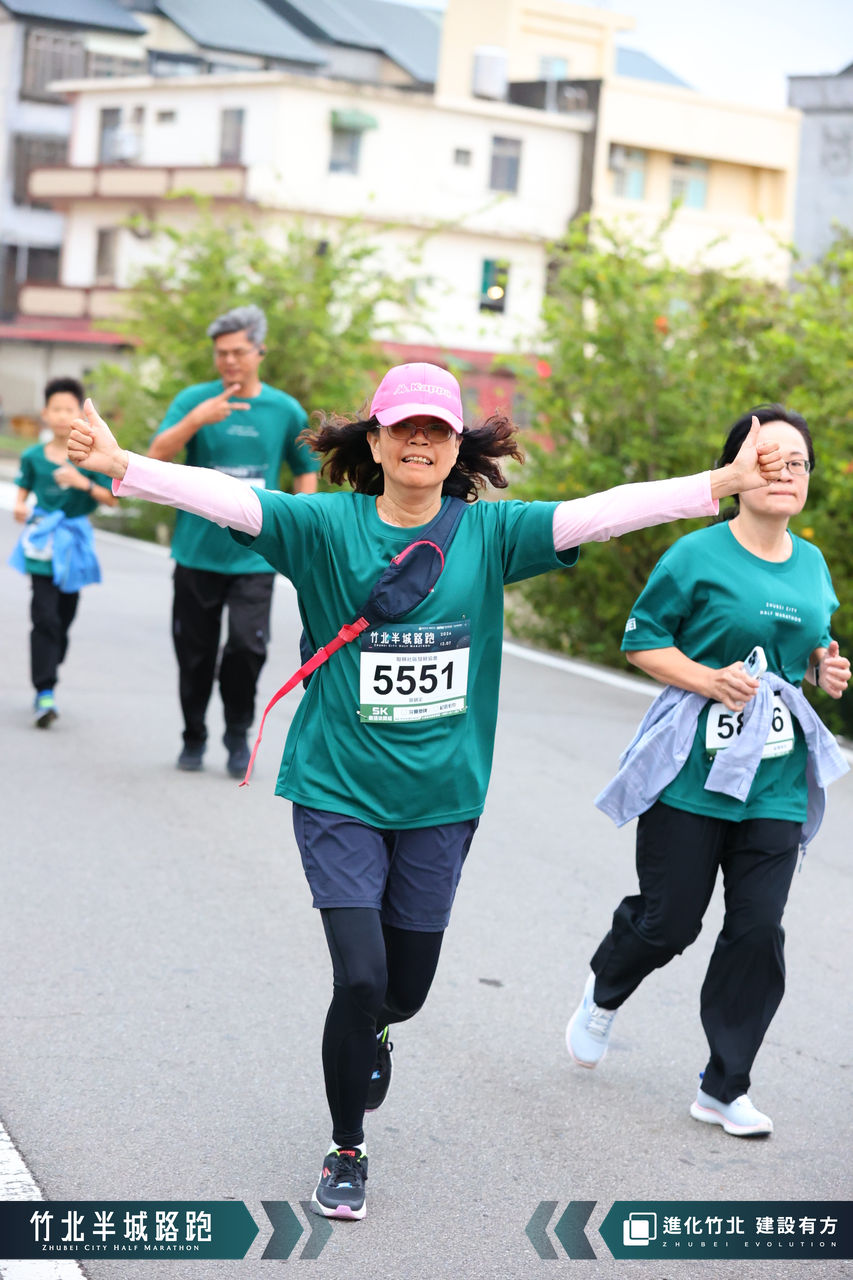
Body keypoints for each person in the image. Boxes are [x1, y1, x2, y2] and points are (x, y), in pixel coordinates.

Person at [68, 363, 783, 1219]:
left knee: (401, 992)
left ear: (455, 447)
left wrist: (718, 483)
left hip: (441, 803)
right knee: (359, 977)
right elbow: (228, 499)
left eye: (435, 429)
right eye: (402, 427)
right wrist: (124, 463)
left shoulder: (490, 535)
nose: (418, 440)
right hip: (336, 790)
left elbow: (604, 510)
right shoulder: (322, 526)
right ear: (373, 442)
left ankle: (375, 1029)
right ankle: (346, 1148)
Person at [566, 404, 850, 1139]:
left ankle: (724, 1086)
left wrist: (821, 668)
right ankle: (605, 988)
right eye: (771, 459)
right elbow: (642, 640)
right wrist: (707, 679)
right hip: (689, 770)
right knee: (669, 923)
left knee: (758, 932)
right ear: (738, 470)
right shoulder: (694, 555)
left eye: (798, 463)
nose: (786, 473)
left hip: (775, 779)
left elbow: (809, 644)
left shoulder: (813, 564)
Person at [148, 304, 319, 777]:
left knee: (247, 648)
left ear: (259, 352)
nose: (228, 361)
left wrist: (302, 528)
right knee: (195, 654)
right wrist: (197, 420)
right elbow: (156, 456)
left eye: (238, 352)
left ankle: (237, 733)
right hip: (197, 554)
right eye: (221, 353)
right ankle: (193, 734)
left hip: (255, 558)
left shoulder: (284, 410)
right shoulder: (194, 400)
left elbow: (305, 470)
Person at [9, 376, 117, 728]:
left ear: (80, 416)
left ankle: (50, 664)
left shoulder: (91, 457)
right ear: (45, 413)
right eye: (55, 409)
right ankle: (45, 692)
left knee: (63, 618)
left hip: (75, 544)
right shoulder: (33, 456)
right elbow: (23, 487)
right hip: (43, 541)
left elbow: (112, 499)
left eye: (68, 409)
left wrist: (82, 482)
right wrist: (20, 506)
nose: (60, 416)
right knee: (45, 617)